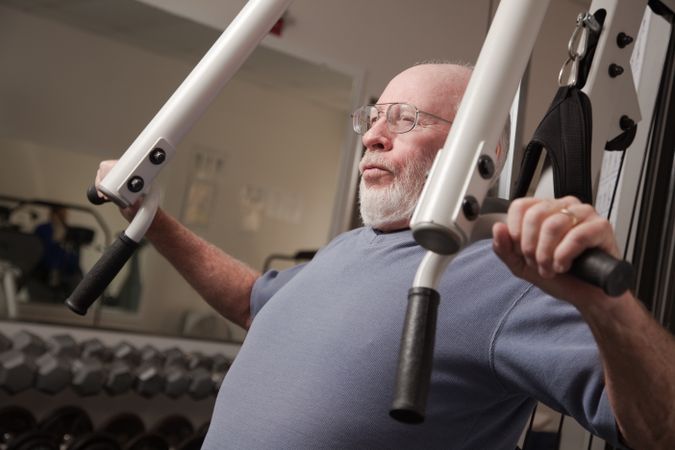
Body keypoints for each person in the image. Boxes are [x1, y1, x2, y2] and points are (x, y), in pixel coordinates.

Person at [95, 63, 675, 449]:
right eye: (373, 118)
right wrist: (155, 222)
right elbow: (254, 302)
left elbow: (659, 430)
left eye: (405, 120)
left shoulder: (508, 275)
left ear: (479, 154)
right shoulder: (348, 249)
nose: (374, 134)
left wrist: (609, 308)